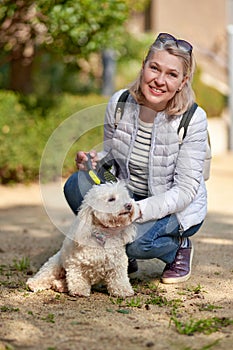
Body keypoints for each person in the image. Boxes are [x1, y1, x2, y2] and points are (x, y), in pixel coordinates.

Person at [64, 32, 208, 284]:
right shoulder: (119, 102)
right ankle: (119, 251)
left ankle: (178, 248)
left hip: (174, 208)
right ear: (143, 66)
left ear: (183, 82)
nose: (159, 80)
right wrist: (94, 162)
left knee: (136, 244)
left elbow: (184, 191)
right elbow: (114, 158)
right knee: (76, 185)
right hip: (131, 197)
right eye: (154, 68)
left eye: (172, 74)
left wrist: (137, 210)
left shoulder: (193, 119)